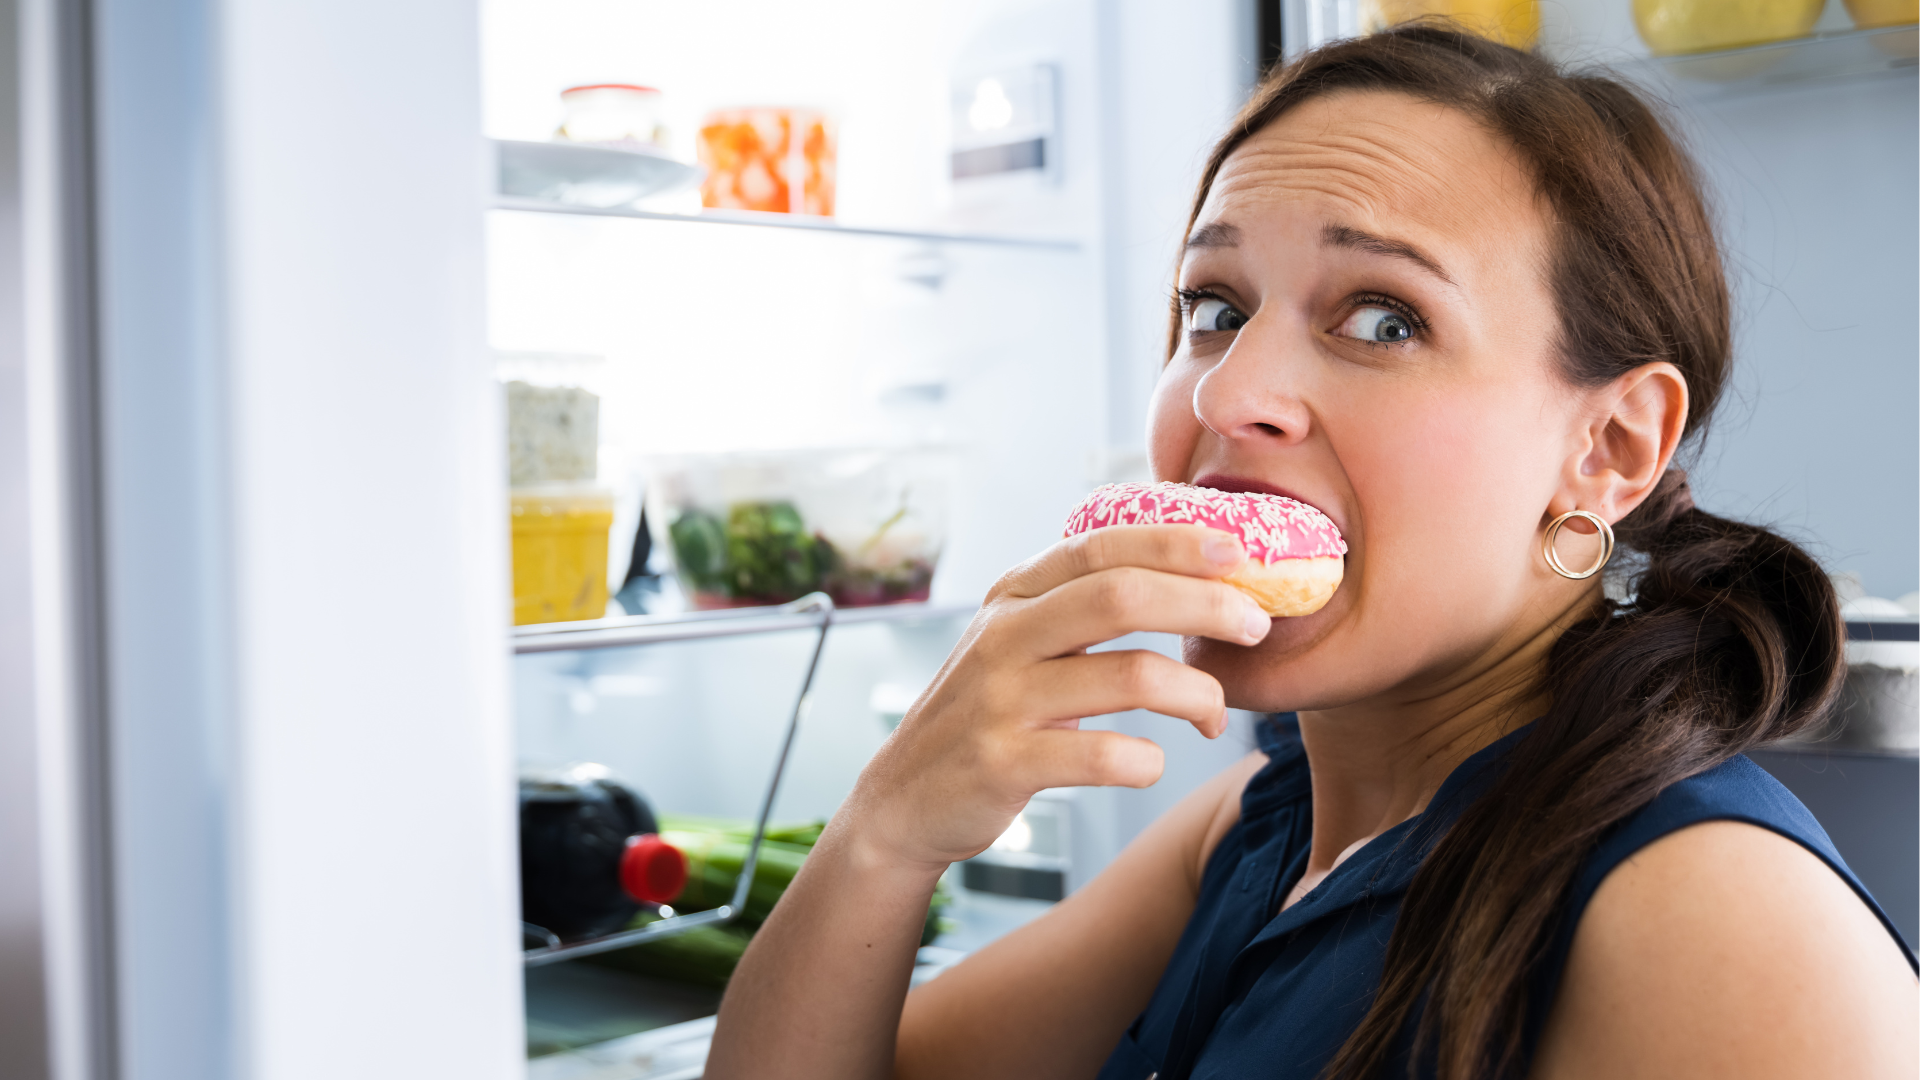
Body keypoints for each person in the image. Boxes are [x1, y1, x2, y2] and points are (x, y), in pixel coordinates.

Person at [705, 25, 1919, 1080]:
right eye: (1215, 307)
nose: (1233, 395)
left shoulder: (1717, 922)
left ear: (1608, 444)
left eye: (1384, 319)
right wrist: (885, 834)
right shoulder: (1257, 825)